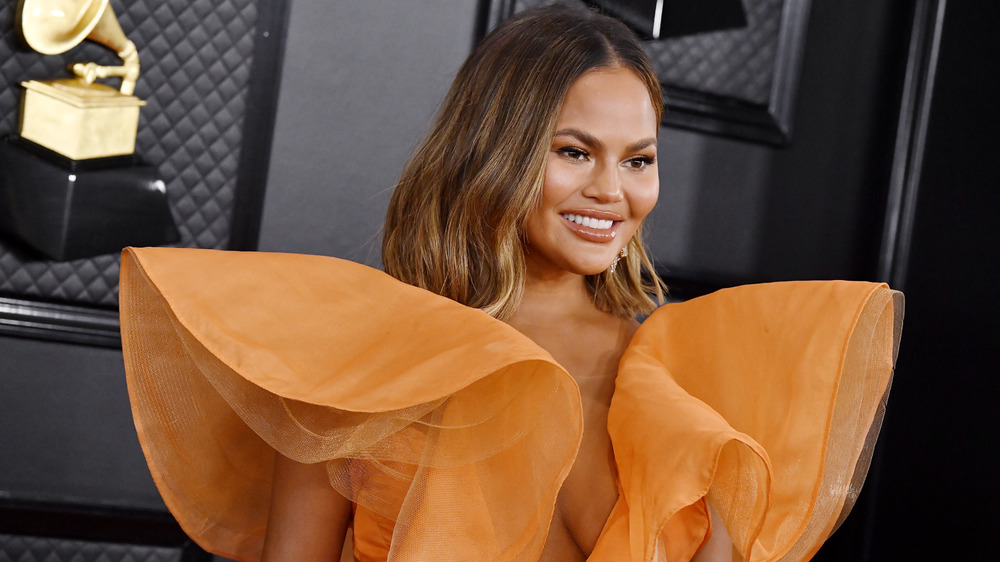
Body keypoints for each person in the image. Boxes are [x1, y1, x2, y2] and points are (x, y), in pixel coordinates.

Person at [119, 3, 902, 561]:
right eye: (573, 151)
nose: (612, 191)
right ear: (493, 153)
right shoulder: (360, 367)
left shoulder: (700, 379)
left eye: (638, 159)